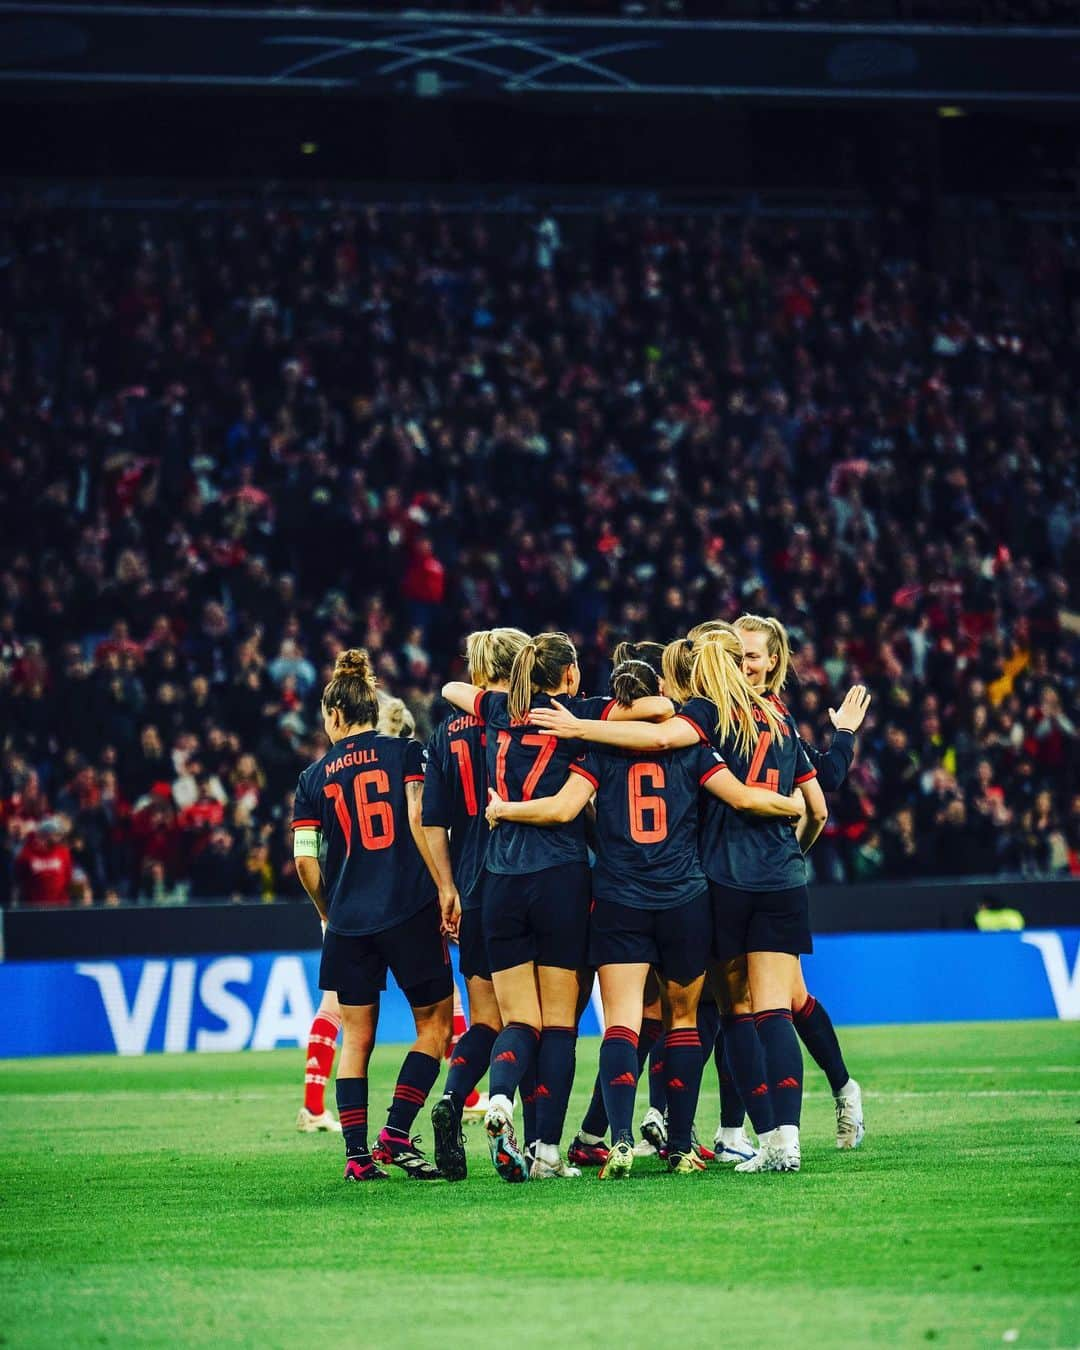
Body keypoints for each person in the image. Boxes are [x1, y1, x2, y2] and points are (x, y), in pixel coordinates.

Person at [487, 654, 802, 1178]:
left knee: (624, 1023)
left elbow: (564, 809)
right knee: (681, 1020)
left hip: (618, 900)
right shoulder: (693, 749)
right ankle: (680, 1146)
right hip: (683, 899)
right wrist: (792, 806)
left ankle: (620, 1141)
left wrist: (505, 810)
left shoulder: (599, 751)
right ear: (657, 691)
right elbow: (744, 798)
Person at [441, 632, 669, 1182]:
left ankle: (498, 1101)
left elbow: (452, 688)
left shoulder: (497, 710)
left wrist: (504, 698)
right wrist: (581, 722)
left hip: (498, 885)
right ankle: (546, 1151)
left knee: (519, 1019)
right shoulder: (583, 714)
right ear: (568, 675)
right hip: (560, 881)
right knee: (561, 1026)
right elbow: (662, 707)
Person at [292, 648, 455, 1182]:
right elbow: (416, 816)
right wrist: (444, 887)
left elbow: (305, 864)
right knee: (433, 1024)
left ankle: (358, 1157)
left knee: (356, 1037)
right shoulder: (407, 752)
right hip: (408, 907)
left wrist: (328, 910)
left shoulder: (311, 779)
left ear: (335, 716)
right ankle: (396, 1133)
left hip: (349, 922)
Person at [734, 614, 869, 1150]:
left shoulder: (776, 721)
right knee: (781, 998)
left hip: (763, 875)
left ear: (771, 664)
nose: (740, 664)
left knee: (761, 1004)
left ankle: (758, 1132)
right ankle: (839, 1091)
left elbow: (825, 786)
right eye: (733, 654)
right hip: (739, 876)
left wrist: (845, 735)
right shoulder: (722, 716)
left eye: (749, 655)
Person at [423, 627, 529, 1182]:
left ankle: (453, 1094)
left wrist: (447, 886)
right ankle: (525, 1139)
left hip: (470, 889)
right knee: (530, 1021)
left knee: (486, 1020)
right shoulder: (518, 718)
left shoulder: (444, 735)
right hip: (522, 878)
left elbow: (432, 822)